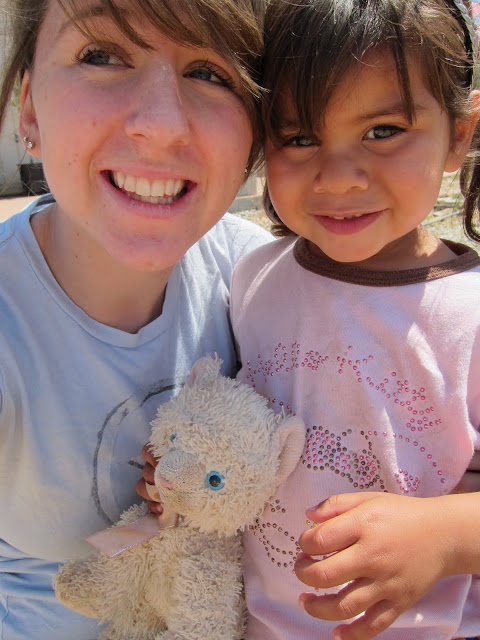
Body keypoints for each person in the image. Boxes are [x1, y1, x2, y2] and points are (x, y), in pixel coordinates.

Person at [0, 1, 272, 638]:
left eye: (210, 72)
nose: (162, 124)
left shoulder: (261, 284)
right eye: (101, 55)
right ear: (30, 110)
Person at [228, 0, 480, 638]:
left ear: (460, 134)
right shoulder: (251, 278)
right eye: (300, 138)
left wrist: (443, 534)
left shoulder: (470, 314)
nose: (338, 178)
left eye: (384, 130)